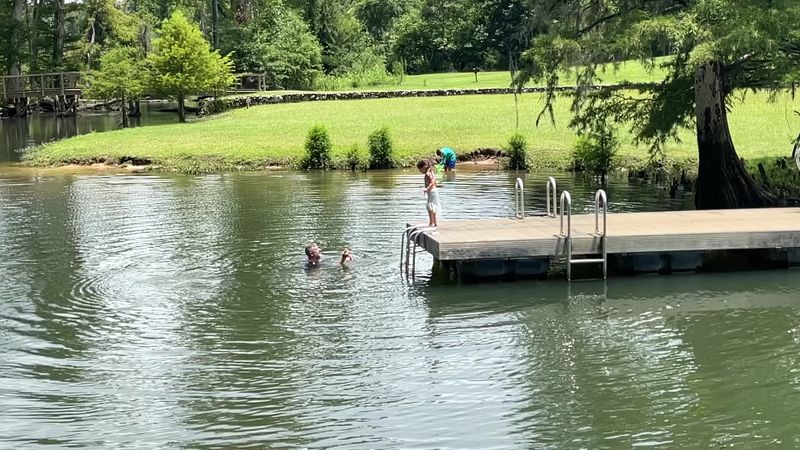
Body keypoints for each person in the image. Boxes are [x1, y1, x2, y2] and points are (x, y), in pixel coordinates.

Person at [417, 159, 439, 228]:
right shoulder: (431, 171)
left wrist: (427, 189)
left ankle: (431, 222)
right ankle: (434, 222)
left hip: (432, 192)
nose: (420, 172)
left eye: (420, 170)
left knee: (430, 207)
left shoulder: (427, 173)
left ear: (424, 167)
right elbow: (435, 182)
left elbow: (432, 182)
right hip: (434, 191)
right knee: (433, 207)